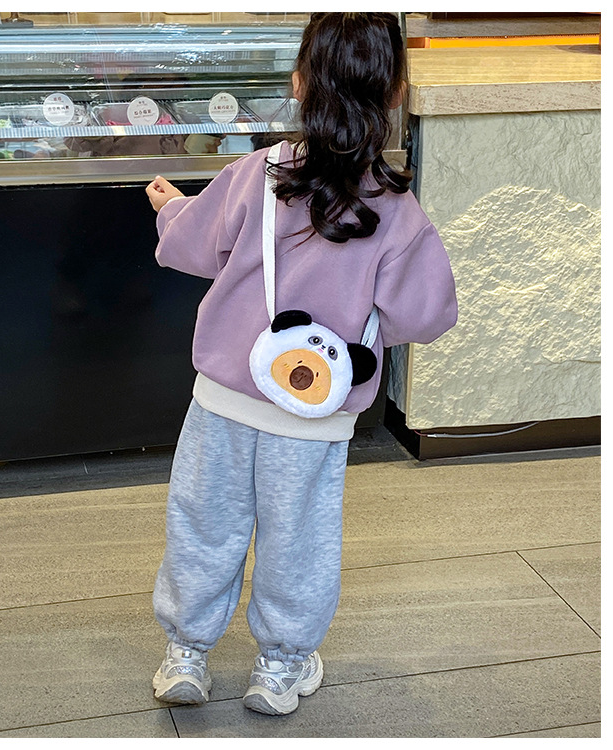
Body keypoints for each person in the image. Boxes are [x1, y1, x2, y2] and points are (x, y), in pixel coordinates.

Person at [144, 12, 458, 716]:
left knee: (203, 522)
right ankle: (280, 666)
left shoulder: (255, 175)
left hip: (224, 401)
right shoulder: (397, 212)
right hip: (313, 419)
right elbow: (428, 314)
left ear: (297, 84)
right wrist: (361, 329)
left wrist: (171, 209)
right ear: (396, 93)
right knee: (299, 538)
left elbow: (194, 247)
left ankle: (186, 653)